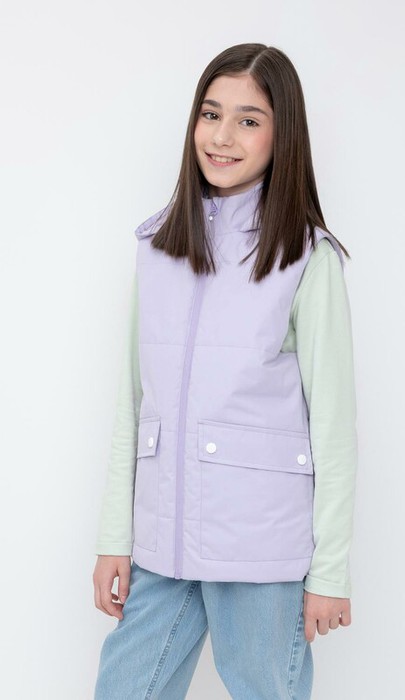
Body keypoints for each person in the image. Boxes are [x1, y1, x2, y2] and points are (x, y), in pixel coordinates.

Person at [92, 42, 358, 699]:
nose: (222, 136)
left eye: (248, 120)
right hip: (163, 545)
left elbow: (333, 427)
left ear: (282, 135)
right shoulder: (157, 248)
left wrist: (330, 572)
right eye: (211, 114)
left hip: (261, 551)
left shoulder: (305, 256)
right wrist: (114, 538)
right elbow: (133, 405)